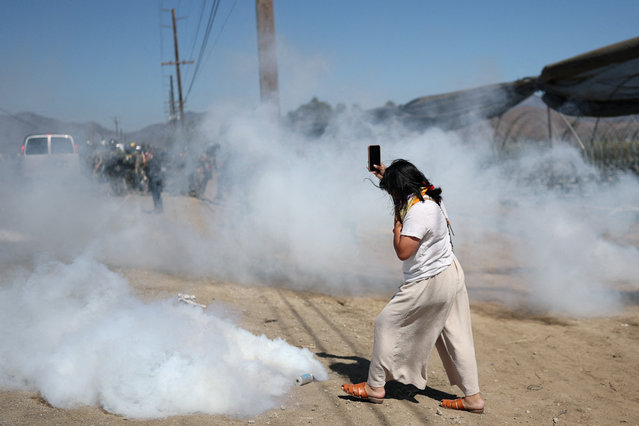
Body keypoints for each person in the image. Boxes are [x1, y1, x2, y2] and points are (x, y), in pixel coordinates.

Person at [341, 159, 484, 414]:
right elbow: (402, 195)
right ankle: (473, 398)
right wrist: (385, 174)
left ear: (401, 189)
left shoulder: (418, 212)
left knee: (385, 323)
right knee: (457, 336)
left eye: (392, 191)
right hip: (450, 271)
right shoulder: (430, 195)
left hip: (430, 280)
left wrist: (396, 229)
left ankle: (375, 387)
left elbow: (403, 251)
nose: (392, 197)